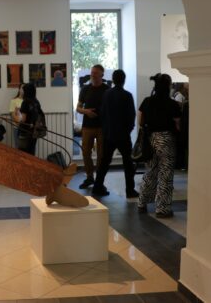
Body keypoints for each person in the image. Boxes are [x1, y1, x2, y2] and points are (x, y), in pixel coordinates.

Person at [137, 74, 181, 218]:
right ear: (168, 86)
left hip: (150, 140)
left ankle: (142, 203)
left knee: (150, 171)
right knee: (165, 174)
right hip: (166, 140)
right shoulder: (173, 104)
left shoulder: (147, 101)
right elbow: (178, 125)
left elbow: (140, 121)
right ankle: (162, 209)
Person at [91, 70, 138, 198]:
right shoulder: (127, 95)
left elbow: (102, 113)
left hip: (109, 134)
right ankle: (130, 190)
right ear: (124, 80)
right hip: (123, 135)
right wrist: (128, 130)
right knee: (128, 163)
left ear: (113, 79)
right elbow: (131, 115)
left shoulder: (106, 94)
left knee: (104, 162)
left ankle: (97, 186)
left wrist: (106, 129)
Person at [76, 64, 110, 189]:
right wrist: (86, 111)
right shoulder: (85, 89)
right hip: (87, 127)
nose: (93, 75)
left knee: (101, 154)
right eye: (92, 72)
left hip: (102, 127)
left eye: (95, 73)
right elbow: (78, 108)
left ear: (101, 75)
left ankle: (99, 180)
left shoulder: (107, 90)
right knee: (86, 152)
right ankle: (89, 177)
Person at [18, 82, 42, 155]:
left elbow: (23, 119)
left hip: (25, 131)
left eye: (23, 90)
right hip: (34, 131)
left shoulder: (25, 102)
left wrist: (19, 121)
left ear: (26, 91)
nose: (22, 92)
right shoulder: (36, 102)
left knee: (24, 152)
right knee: (32, 150)